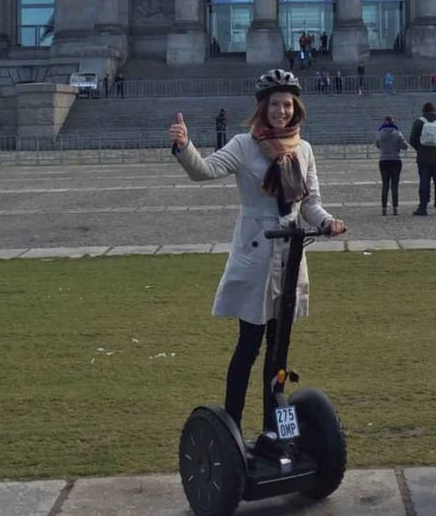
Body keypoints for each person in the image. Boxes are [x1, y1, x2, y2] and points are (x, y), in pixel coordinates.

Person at [166, 69, 347, 433]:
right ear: (263, 107)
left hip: (289, 258)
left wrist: (328, 222)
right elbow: (205, 171)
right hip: (255, 255)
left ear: (295, 108)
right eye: (275, 104)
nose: (281, 111)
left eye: (287, 104)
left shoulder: (304, 148)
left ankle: (275, 429)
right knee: (248, 346)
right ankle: (231, 428)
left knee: (279, 353)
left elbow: (311, 203)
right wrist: (184, 147)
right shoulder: (243, 144)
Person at [410, 101, 436, 215]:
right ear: (434, 110)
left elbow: (412, 140)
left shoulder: (418, 122)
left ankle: (423, 206)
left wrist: (420, 148)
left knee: (424, 182)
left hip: (423, 158)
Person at [374, 115, 407, 215]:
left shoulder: (379, 133)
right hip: (395, 160)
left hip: (383, 161)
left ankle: (384, 208)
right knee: (394, 185)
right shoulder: (397, 133)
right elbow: (405, 146)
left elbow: (377, 145)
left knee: (385, 184)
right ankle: (395, 207)